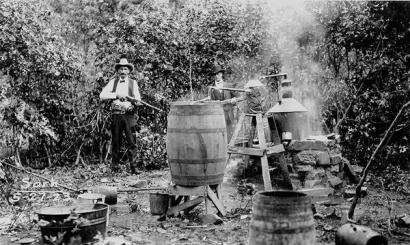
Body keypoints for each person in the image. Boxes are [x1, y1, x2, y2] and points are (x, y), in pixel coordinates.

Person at [99, 57, 141, 173]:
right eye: (121, 69)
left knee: (132, 142)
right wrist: (116, 95)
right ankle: (115, 167)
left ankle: (134, 167)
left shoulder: (133, 83)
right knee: (116, 141)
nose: (123, 71)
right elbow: (102, 95)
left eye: (125, 69)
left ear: (129, 71)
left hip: (129, 115)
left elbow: (138, 100)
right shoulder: (113, 82)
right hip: (116, 114)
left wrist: (132, 102)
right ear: (118, 71)